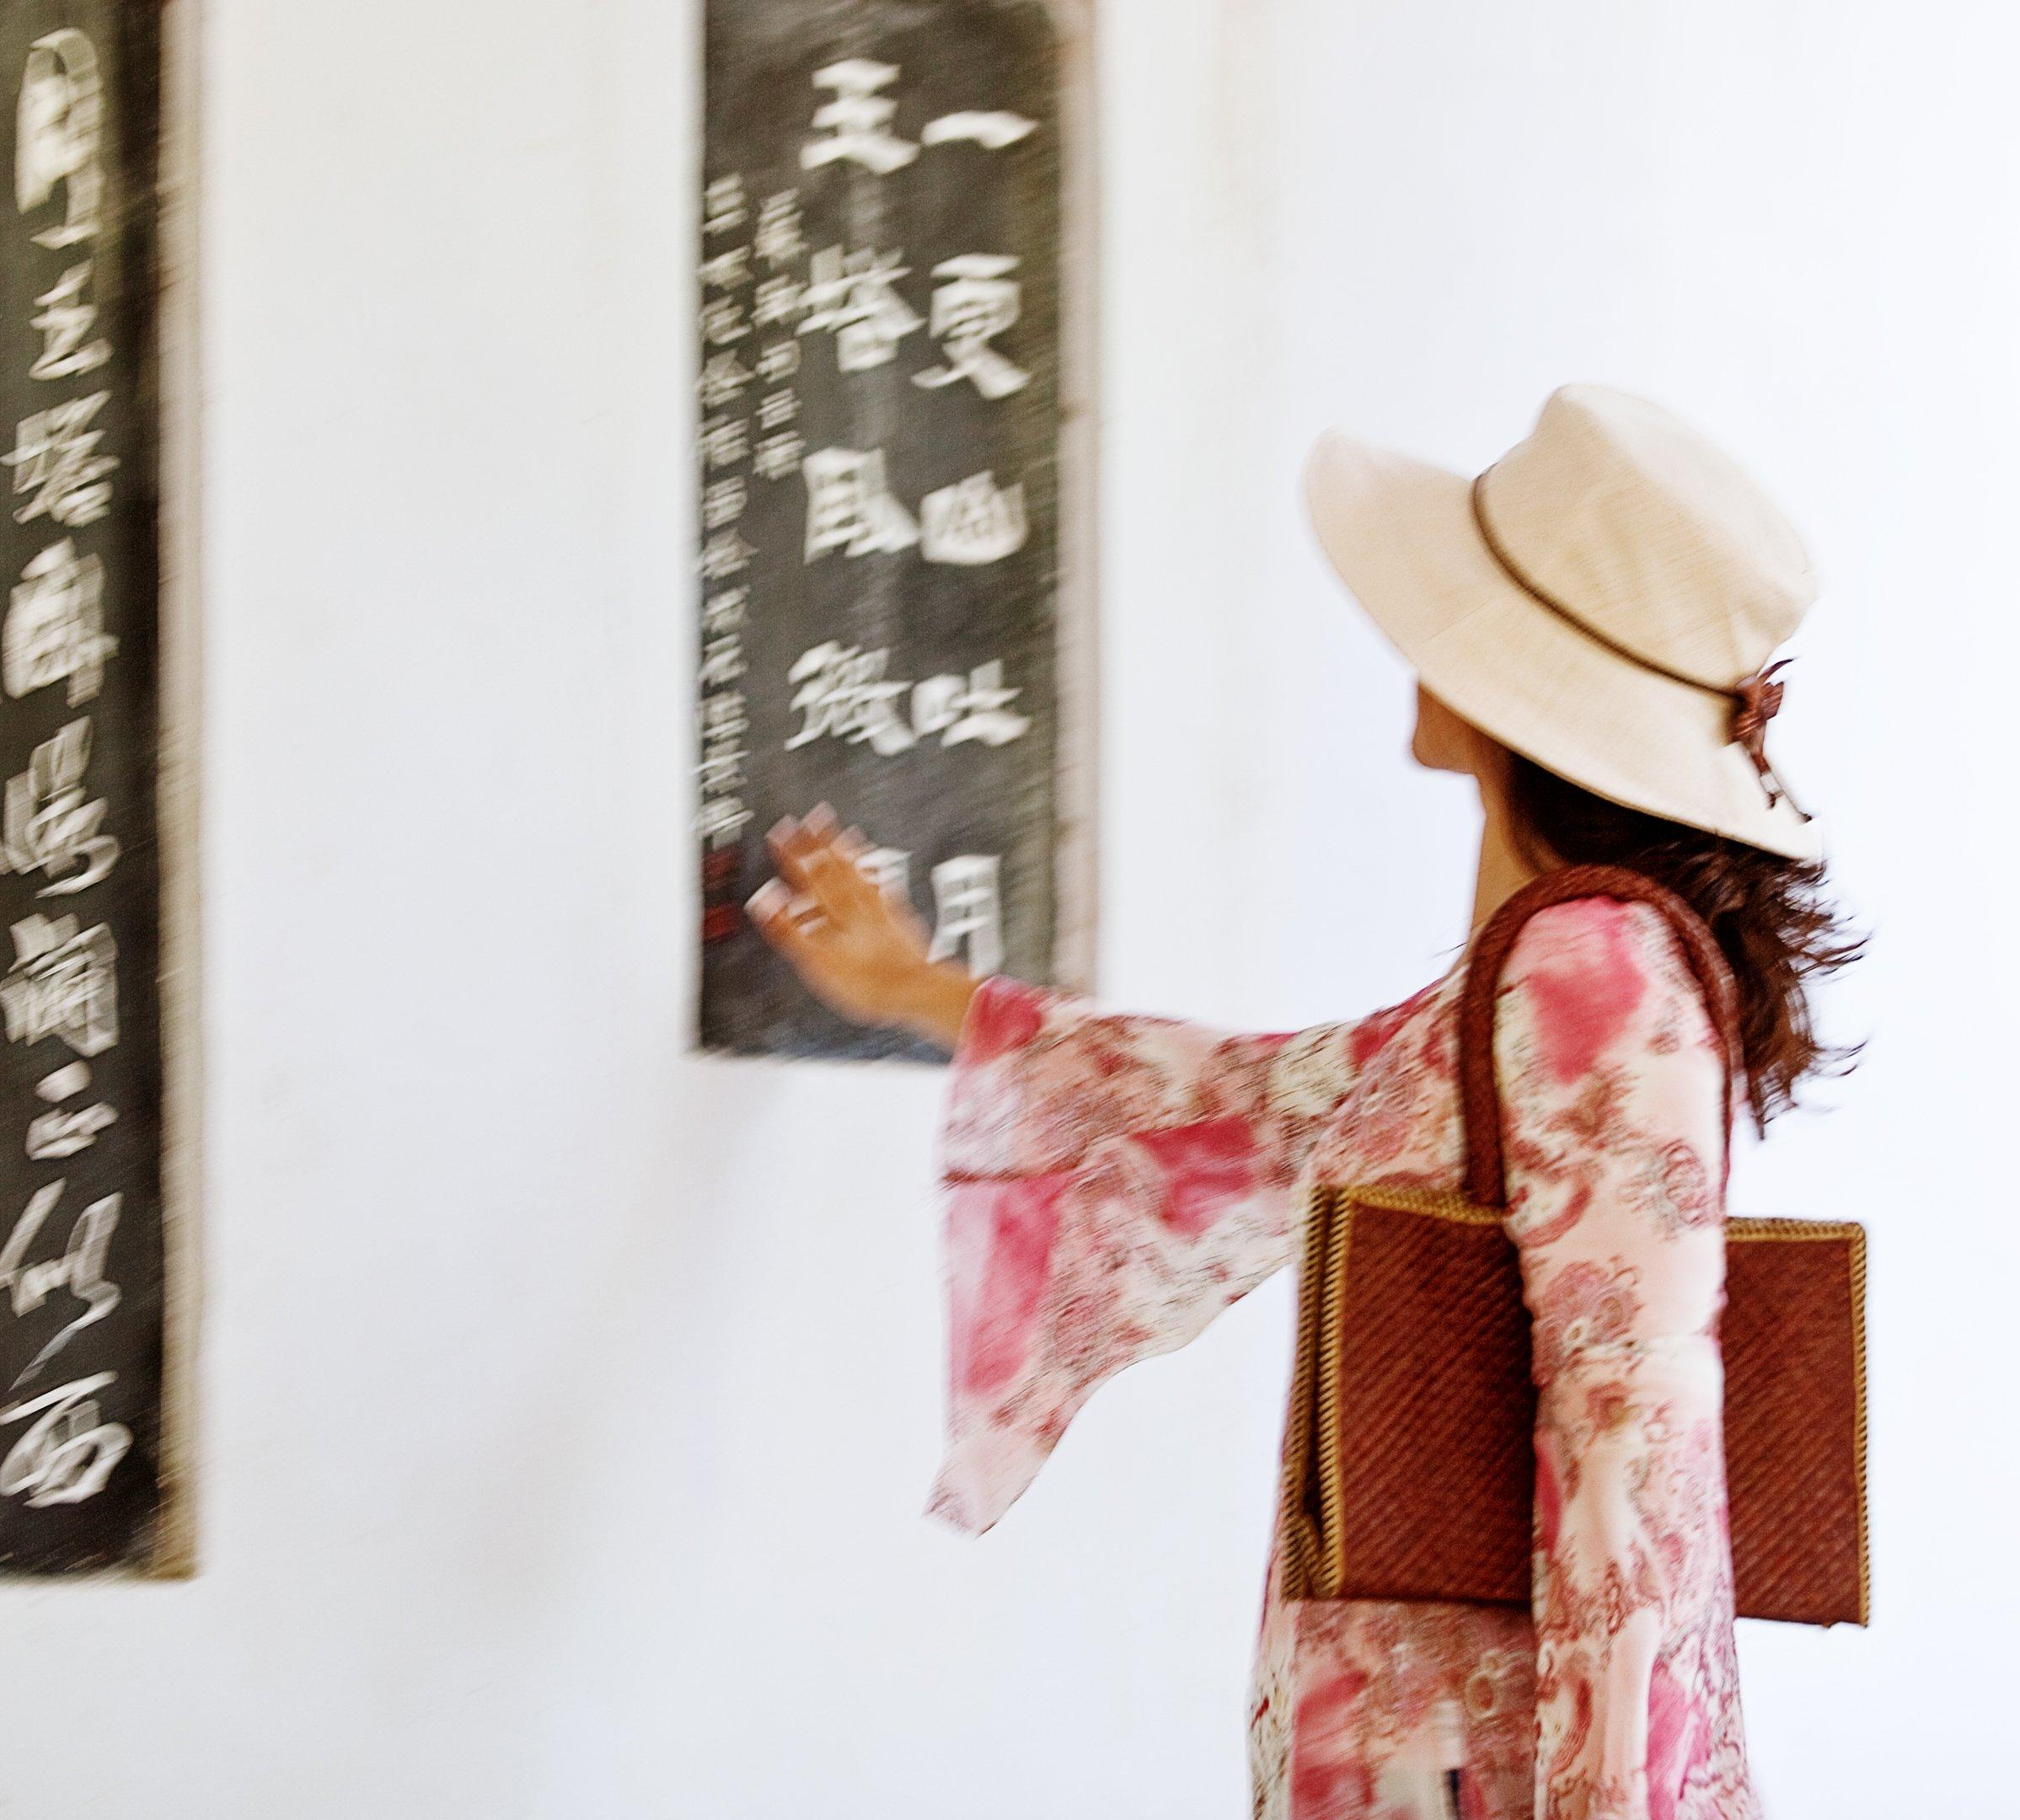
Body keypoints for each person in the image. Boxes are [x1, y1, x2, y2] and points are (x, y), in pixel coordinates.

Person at [746, 384, 1859, 1820]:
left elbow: (1633, 1458)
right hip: (1416, 1744)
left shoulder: (1597, 972)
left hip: (1480, 1765)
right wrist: (924, 991)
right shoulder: (1535, 973)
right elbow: (1264, 1101)